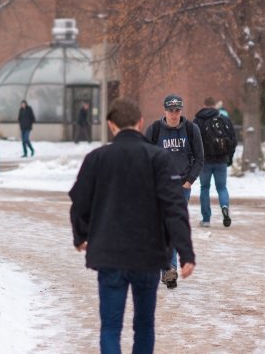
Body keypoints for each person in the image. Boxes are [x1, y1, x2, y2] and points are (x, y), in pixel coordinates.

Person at [69, 98, 195, 354]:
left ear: (111, 125)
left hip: (109, 253)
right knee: (144, 326)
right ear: (139, 123)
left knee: (110, 327)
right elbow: (174, 208)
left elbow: (79, 202)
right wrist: (185, 252)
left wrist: (80, 236)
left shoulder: (96, 158)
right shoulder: (159, 159)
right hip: (148, 255)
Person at [145, 93, 203, 289]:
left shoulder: (190, 129)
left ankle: (169, 269)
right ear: (164, 111)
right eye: (170, 110)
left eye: (177, 110)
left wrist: (189, 181)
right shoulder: (154, 130)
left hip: (181, 188)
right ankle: (162, 266)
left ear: (181, 111)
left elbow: (199, 158)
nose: (173, 114)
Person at [194, 97, 238, 228]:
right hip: (221, 160)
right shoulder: (224, 119)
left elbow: (193, 141)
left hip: (205, 161)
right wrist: (229, 157)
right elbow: (233, 140)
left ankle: (206, 219)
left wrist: (195, 159)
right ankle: (224, 207)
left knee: (204, 188)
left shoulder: (198, 120)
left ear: (204, 105)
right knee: (222, 188)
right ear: (214, 106)